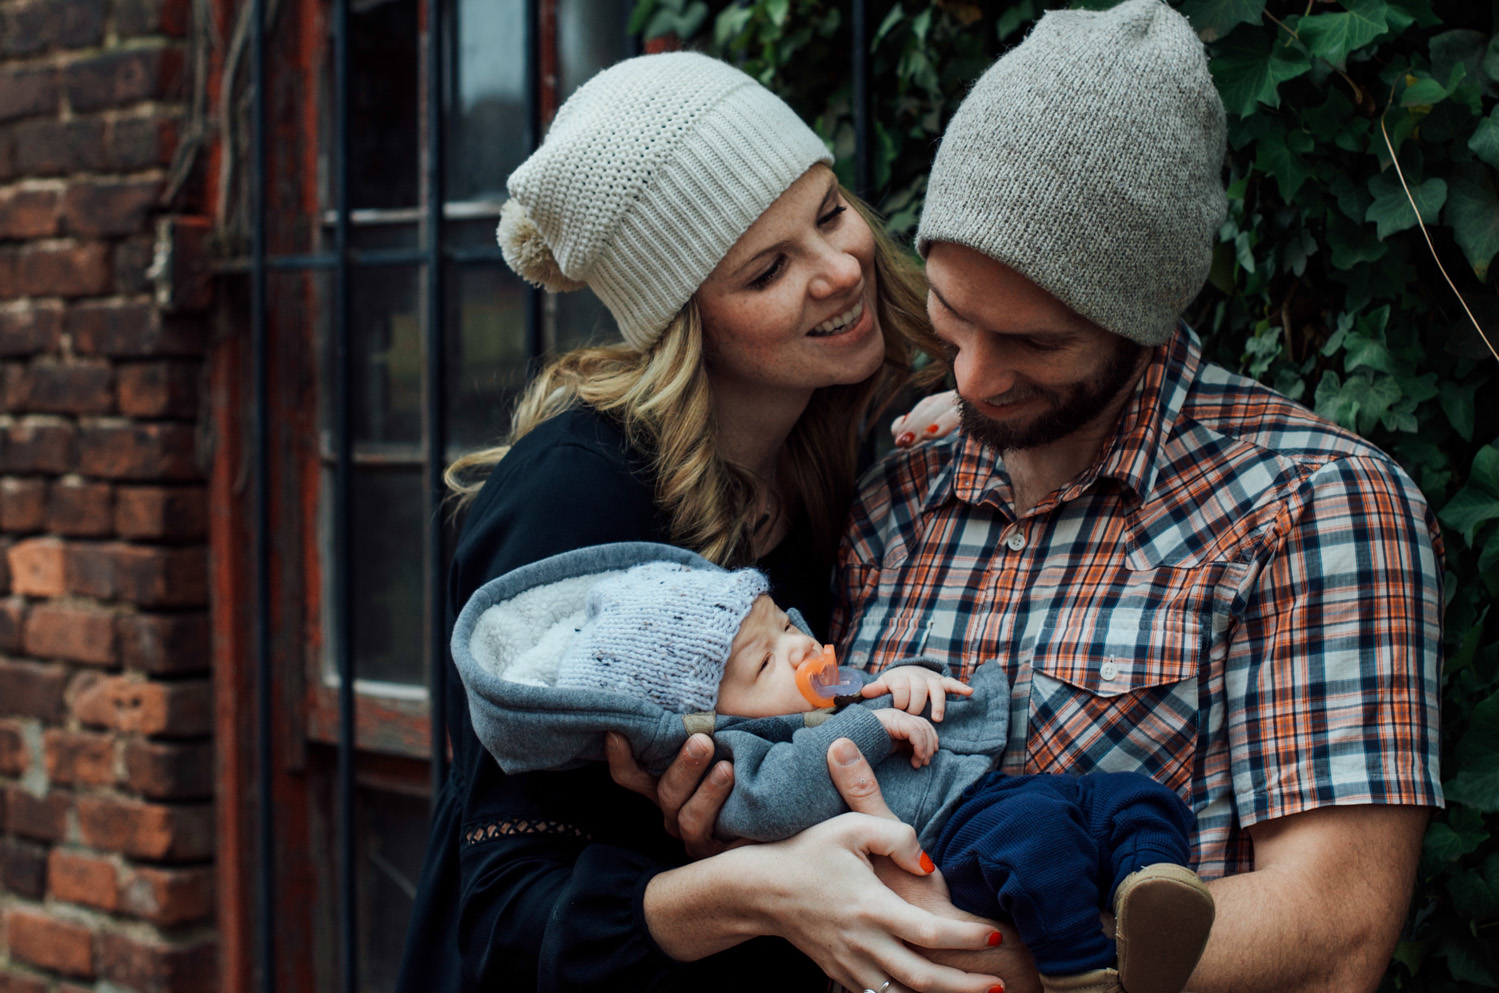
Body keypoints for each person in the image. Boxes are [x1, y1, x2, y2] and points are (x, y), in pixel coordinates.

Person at [826, 3, 1446, 993]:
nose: (976, 380)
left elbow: (1330, 930)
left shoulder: (1314, 506)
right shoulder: (891, 482)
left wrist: (912, 939)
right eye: (951, 316)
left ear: (1149, 318)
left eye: (1035, 343)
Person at [395, 50, 1004, 993]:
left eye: (830, 211)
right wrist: (758, 888)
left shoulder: (835, 439)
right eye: (768, 269)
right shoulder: (576, 495)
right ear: (686, 322)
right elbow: (505, 906)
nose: (841, 268)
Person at [448, 541, 1217, 993]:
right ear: (706, 715)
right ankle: (1082, 974)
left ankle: (1147, 886)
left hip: (994, 793)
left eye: (782, 623)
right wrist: (867, 722)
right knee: (1041, 847)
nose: (795, 646)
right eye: (761, 658)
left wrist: (906, 680)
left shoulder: (823, 700)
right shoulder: (738, 755)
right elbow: (774, 804)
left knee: (1127, 796)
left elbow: (898, 702)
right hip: (953, 829)